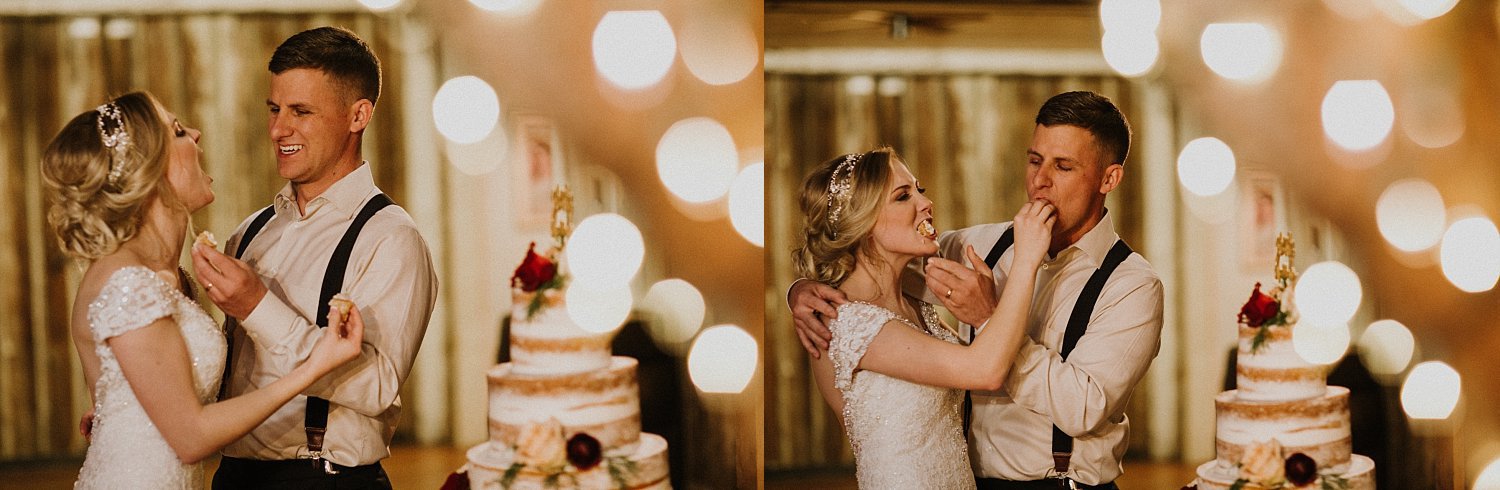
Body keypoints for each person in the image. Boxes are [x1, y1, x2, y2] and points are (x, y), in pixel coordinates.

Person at [790, 92, 1165, 489]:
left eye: (1064, 167)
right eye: (1035, 160)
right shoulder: (982, 247)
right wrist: (803, 290)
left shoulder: (1132, 285)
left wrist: (989, 318)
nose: (1040, 181)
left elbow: (1083, 408)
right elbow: (879, 267)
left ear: (1109, 178)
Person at [41, 91, 367, 489]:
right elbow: (191, 438)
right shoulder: (128, 283)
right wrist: (315, 365)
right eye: (177, 132)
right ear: (150, 170)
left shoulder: (168, 276)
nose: (195, 134)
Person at [187, 27, 438, 489]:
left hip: (326, 478)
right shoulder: (249, 232)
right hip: (232, 476)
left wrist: (256, 306)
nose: (280, 129)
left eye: (301, 111)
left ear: (358, 114)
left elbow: (377, 387)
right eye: (275, 109)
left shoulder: (391, 238)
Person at [793, 147, 1056, 488]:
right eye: (903, 197)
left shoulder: (916, 304)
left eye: (920, 190)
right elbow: (985, 370)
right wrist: (1026, 260)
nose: (924, 203)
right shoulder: (848, 322)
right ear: (863, 222)